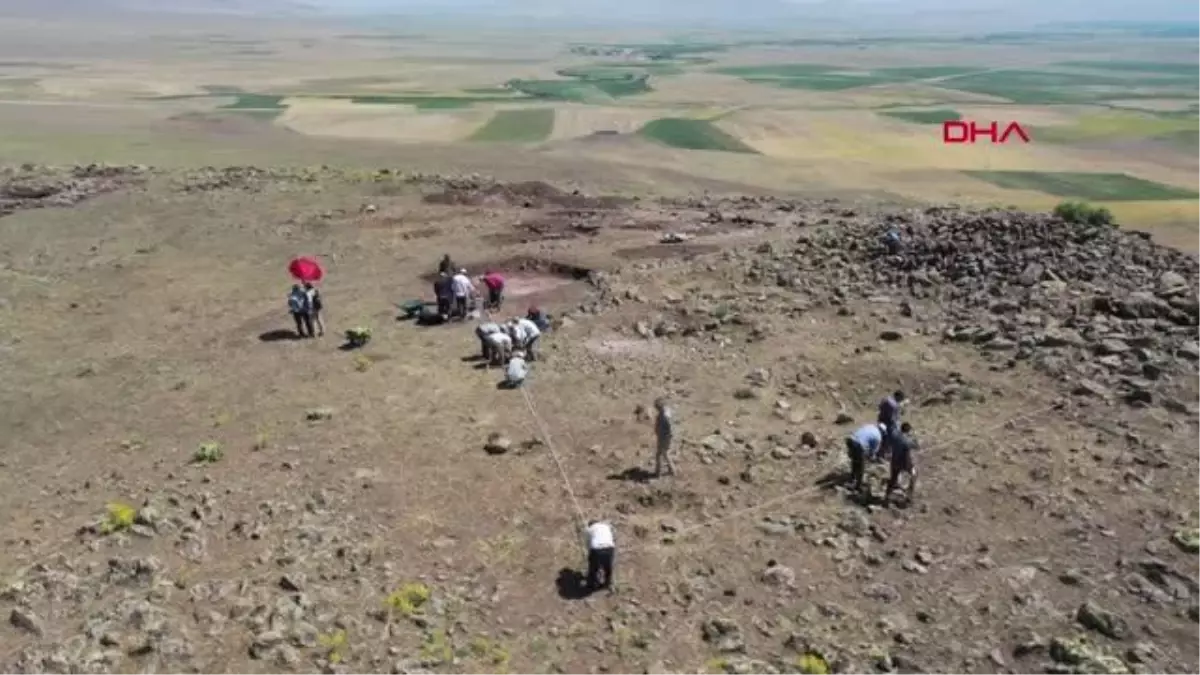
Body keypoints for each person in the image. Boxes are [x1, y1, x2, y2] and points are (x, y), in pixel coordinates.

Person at [883, 422, 919, 504]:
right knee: (914, 475)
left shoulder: (895, 436)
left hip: (894, 462)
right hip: (904, 463)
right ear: (908, 431)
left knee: (893, 479)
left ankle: (887, 497)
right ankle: (909, 497)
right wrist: (914, 437)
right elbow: (916, 446)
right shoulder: (907, 440)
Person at [845, 422, 886, 492]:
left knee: (854, 462)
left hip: (851, 440)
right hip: (859, 445)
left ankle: (851, 479)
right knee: (861, 467)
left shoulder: (869, 426)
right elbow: (873, 452)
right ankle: (858, 485)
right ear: (882, 432)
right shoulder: (878, 437)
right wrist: (871, 459)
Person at [584, 519, 615, 593]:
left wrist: (590, 553)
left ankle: (592, 584)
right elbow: (611, 536)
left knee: (593, 567)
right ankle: (607, 583)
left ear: (590, 524)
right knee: (608, 567)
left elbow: (588, 543)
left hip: (597, 548)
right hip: (609, 548)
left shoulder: (589, 529)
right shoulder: (606, 526)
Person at [877, 390, 906, 459]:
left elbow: (880, 407)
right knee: (889, 440)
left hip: (881, 422)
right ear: (898, 397)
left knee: (882, 439)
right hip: (889, 424)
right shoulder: (893, 405)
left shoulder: (886, 399)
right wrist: (896, 425)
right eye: (901, 399)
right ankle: (884, 455)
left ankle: (881, 454)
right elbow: (892, 418)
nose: (900, 401)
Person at [654, 397, 675, 477]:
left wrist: (668, 435)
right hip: (663, 436)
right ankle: (669, 470)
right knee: (661, 454)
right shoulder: (666, 412)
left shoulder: (665, 415)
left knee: (663, 454)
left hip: (664, 437)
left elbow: (669, 427)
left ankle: (660, 472)